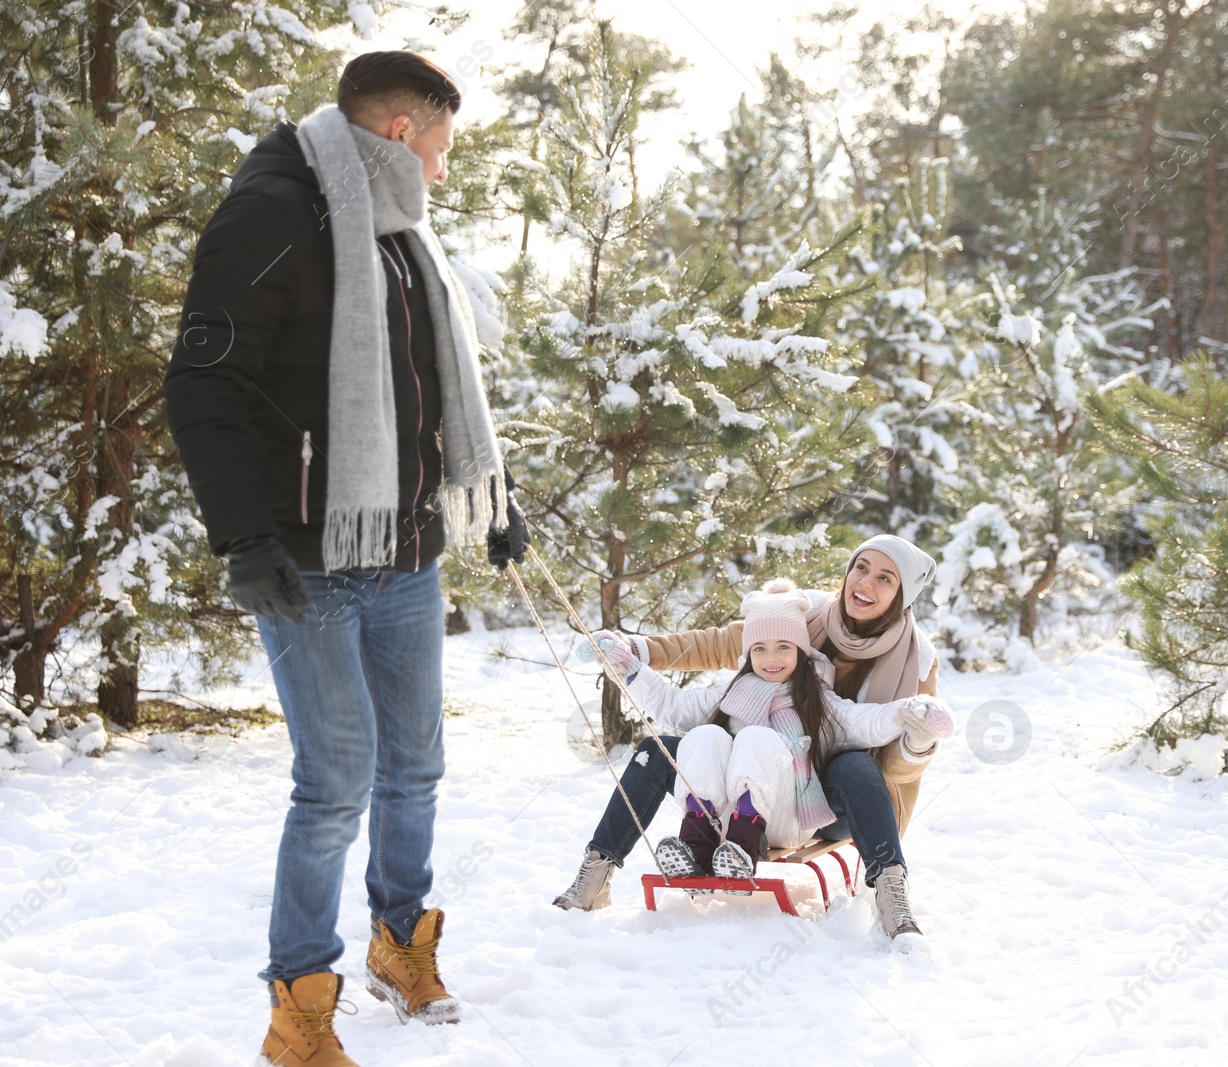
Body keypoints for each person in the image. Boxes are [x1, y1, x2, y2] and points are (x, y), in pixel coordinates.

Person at [164, 51, 527, 1067]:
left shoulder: (397, 222)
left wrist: (494, 495)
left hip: (405, 548)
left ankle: (400, 941)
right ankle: (299, 1006)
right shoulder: (275, 215)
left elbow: (425, 380)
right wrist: (242, 537)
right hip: (306, 557)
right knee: (336, 780)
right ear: (402, 133)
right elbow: (202, 388)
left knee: (414, 765)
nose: (446, 174)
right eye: (443, 148)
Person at [555, 535, 948, 940]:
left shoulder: (906, 665)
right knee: (662, 749)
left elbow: (870, 728)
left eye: (885, 578)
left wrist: (912, 730)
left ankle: (891, 891)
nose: (865, 582)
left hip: (827, 801)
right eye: (861, 568)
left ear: (903, 595)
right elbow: (703, 666)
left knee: (855, 763)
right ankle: (598, 871)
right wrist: (633, 655)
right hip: (741, 789)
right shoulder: (801, 618)